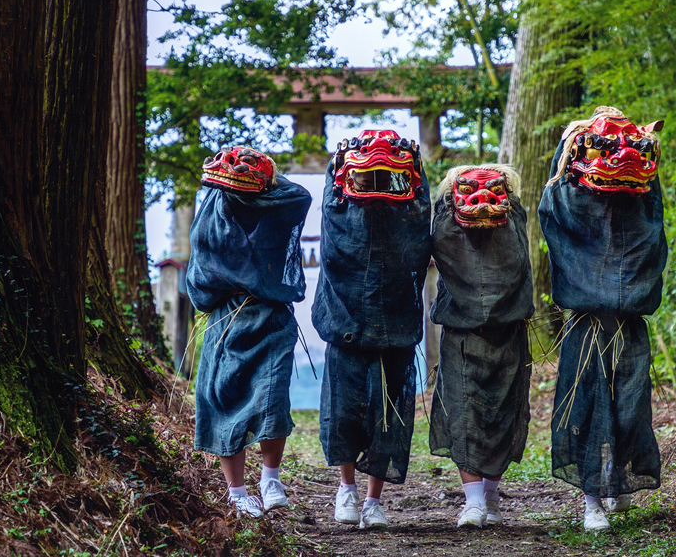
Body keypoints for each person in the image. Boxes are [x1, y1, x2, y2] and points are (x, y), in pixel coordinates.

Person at [538, 106, 668, 531]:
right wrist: (569, 148)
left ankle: (619, 480)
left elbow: (653, 225)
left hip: (628, 323)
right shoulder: (572, 197)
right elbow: (553, 203)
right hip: (587, 323)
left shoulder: (639, 202)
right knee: (586, 410)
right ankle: (592, 500)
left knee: (630, 408)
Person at [312, 129, 432, 530]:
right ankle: (346, 487)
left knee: (389, 418)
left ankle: (373, 500)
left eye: (385, 176)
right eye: (366, 176)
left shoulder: (409, 222)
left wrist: (417, 166)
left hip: (394, 330)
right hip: (346, 329)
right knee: (342, 414)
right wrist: (338, 163)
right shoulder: (339, 217)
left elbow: (422, 205)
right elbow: (332, 197)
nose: (375, 182)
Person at [187, 146, 312, 517]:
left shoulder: (280, 205)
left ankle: (270, 480)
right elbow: (202, 279)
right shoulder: (214, 207)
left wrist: (266, 172)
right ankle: (237, 491)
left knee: (272, 398)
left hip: (271, 315)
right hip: (227, 317)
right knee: (223, 399)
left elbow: (299, 195)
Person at [428, 164, 534, 528]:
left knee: (503, 414)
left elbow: (516, 264)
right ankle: (473, 501)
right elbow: (445, 243)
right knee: (463, 414)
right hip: (462, 335)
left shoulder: (514, 221)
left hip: (508, 333)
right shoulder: (445, 225)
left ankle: (490, 496)